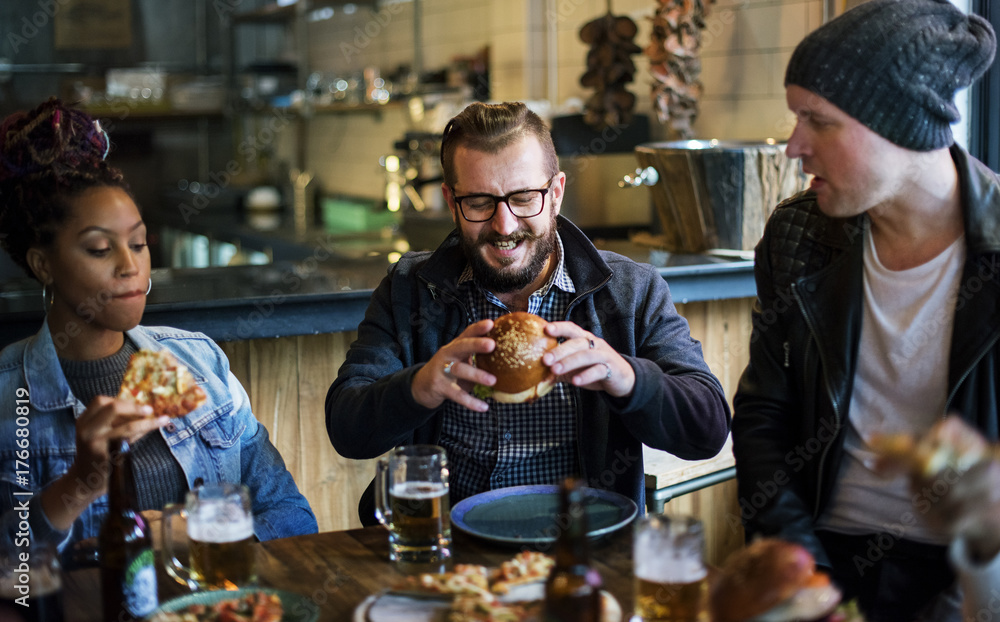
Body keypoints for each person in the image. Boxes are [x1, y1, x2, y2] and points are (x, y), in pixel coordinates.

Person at [326, 101, 730, 523]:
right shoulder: (411, 289)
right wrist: (420, 386)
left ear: (555, 193)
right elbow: (346, 429)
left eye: (523, 198)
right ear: (451, 201)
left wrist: (624, 376)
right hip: (445, 553)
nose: (504, 226)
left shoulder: (629, 292)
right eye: (480, 203)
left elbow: (708, 430)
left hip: (582, 553)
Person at [732, 1, 997, 620]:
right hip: (821, 555)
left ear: (901, 125)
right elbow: (764, 417)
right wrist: (801, 573)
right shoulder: (798, 235)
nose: (793, 146)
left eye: (817, 121)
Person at [0, 99, 317, 559]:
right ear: (42, 263)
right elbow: (13, 573)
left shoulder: (197, 363)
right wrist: (78, 486)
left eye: (139, 243)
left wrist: (194, 533)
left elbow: (293, 518)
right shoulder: (9, 397)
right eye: (99, 249)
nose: (130, 266)